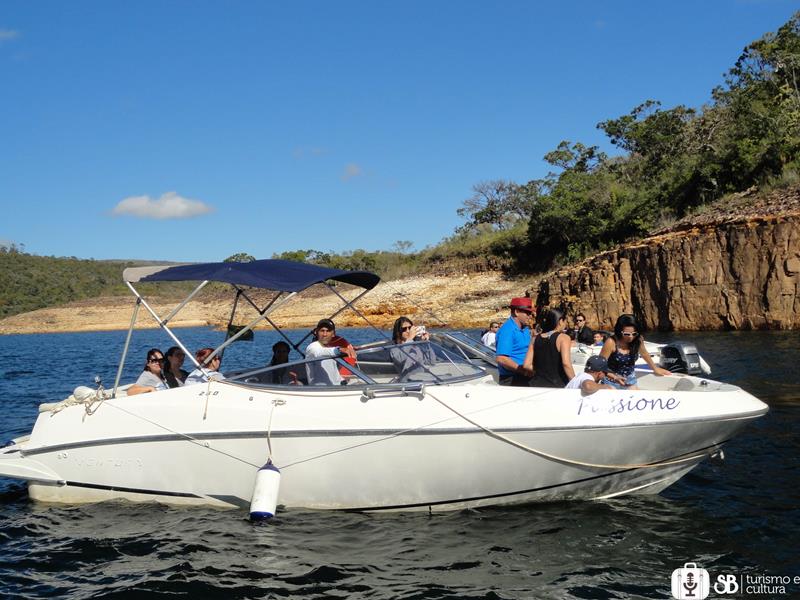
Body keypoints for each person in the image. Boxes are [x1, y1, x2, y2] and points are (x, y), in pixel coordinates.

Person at [599, 314, 672, 389]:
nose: (631, 337)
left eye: (634, 334)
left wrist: (655, 368)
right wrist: (614, 377)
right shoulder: (611, 342)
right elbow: (599, 365)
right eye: (626, 334)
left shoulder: (638, 339)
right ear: (619, 331)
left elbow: (644, 353)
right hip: (611, 381)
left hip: (631, 380)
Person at [524, 308, 575, 388]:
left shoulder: (535, 338)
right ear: (560, 321)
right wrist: (575, 382)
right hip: (557, 386)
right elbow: (566, 364)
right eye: (565, 321)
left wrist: (541, 371)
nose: (566, 324)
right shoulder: (564, 338)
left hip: (536, 385)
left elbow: (526, 365)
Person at [495, 297, 534, 386]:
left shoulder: (525, 329)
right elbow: (501, 358)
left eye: (530, 313)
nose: (530, 316)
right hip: (512, 379)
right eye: (527, 313)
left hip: (524, 375)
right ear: (516, 312)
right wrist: (523, 371)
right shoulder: (507, 330)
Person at [305, 319, 355, 385]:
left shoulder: (330, 348)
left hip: (338, 386)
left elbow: (334, 373)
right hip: (322, 389)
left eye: (328, 331)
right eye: (322, 331)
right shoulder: (312, 347)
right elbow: (319, 352)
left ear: (333, 334)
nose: (325, 334)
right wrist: (338, 350)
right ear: (317, 332)